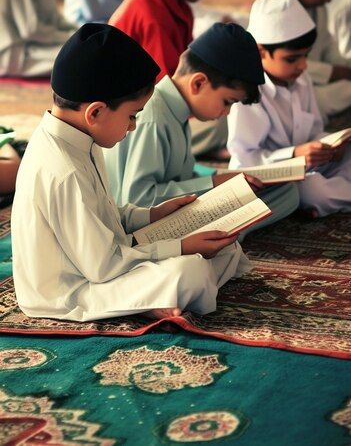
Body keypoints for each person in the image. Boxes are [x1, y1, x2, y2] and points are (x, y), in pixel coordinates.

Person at [11, 23, 252, 323]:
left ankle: (154, 300)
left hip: (99, 265)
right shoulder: (63, 169)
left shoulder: (81, 138)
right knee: (190, 271)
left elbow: (105, 215)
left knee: (225, 248)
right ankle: (150, 301)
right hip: (72, 289)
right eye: (132, 115)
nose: (133, 126)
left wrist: (152, 215)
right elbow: (103, 266)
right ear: (95, 112)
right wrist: (179, 247)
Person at [104, 22, 299, 237]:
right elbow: (138, 199)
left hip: (174, 207)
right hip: (140, 222)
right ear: (198, 83)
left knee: (286, 190)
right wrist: (213, 183)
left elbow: (180, 173)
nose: (227, 112)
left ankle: (229, 228)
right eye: (228, 101)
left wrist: (218, 175)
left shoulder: (175, 110)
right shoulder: (154, 116)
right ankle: (228, 229)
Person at [109, 0, 236, 157]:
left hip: (154, 114)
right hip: (129, 125)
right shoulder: (152, 15)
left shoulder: (175, 4)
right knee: (225, 119)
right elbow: (164, 99)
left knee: (229, 106)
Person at [227, 0, 351, 218]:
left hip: (309, 167)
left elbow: (314, 130)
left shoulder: (303, 80)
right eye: (292, 59)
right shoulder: (247, 93)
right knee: (310, 190)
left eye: (305, 56)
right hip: (273, 178)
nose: (303, 65)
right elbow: (244, 160)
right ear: (261, 51)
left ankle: (326, 203)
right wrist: (294, 154)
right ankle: (323, 202)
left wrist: (330, 145)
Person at [255, 0, 351, 122]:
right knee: (321, 100)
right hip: (281, 90)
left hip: (312, 84)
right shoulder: (269, 6)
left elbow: (328, 48)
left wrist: (344, 68)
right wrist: (336, 72)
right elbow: (274, 63)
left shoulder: (316, 4)